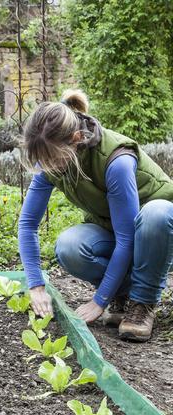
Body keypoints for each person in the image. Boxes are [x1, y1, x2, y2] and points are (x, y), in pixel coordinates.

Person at [18, 89, 173, 342]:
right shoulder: (52, 156)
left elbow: (127, 238)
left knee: (155, 214)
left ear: (77, 139)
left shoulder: (116, 160)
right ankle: (123, 293)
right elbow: (27, 225)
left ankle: (142, 303)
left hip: (160, 236)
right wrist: (36, 286)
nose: (48, 168)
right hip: (121, 233)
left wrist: (99, 300)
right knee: (70, 246)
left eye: (53, 160)